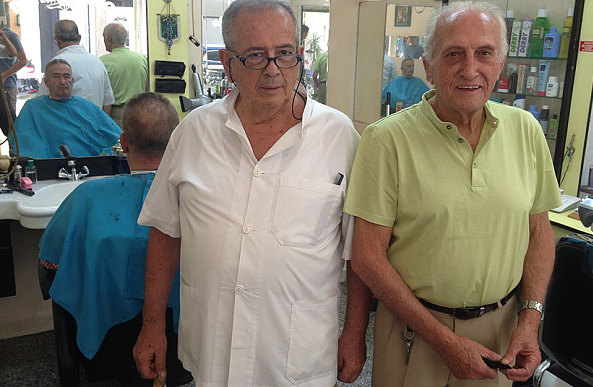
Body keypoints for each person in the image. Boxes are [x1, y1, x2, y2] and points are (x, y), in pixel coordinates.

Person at [132, 1, 360, 385]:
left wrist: (354, 334)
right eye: (255, 55)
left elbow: (359, 254)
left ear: (300, 56)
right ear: (227, 61)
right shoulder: (193, 133)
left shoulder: (340, 138)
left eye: (285, 54)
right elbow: (165, 231)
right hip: (211, 347)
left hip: (294, 355)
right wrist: (152, 324)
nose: (273, 69)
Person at [341, 2, 562, 386]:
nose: (470, 68)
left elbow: (540, 235)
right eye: (453, 54)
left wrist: (530, 320)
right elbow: (366, 256)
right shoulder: (386, 140)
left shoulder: (526, 130)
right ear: (429, 67)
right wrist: (444, 340)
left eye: (484, 53)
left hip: (501, 336)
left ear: (501, 63)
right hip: (414, 333)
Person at [38, 92, 193, 387]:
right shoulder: (198, 200)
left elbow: (49, 263)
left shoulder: (86, 196)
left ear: (123, 142)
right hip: (182, 348)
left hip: (108, 350)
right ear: (177, 140)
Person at [10, 59, 121, 158]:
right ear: (46, 82)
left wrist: (104, 155)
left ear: (72, 81)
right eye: (56, 77)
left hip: (92, 168)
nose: (62, 81)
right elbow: (25, 145)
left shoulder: (88, 107)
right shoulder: (33, 108)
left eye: (66, 77)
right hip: (49, 172)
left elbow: (118, 138)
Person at [37, 20, 114, 113]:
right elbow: (108, 102)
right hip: (94, 123)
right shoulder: (97, 62)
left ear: (57, 40)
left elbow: (41, 101)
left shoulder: (56, 65)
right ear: (79, 38)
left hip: (65, 123)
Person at [100, 23, 148, 127]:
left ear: (108, 39)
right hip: (140, 113)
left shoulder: (102, 62)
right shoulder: (141, 59)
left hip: (117, 115)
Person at [0, 26, 27, 136]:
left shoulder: (10, 35)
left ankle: (15, 151)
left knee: (10, 128)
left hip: (6, 87)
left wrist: (4, 75)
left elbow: (21, 59)